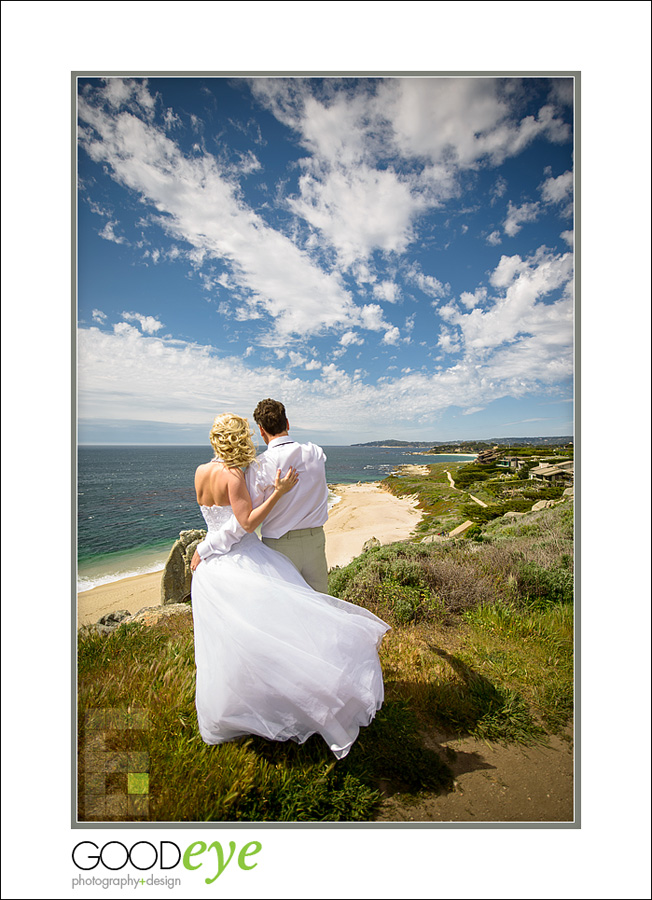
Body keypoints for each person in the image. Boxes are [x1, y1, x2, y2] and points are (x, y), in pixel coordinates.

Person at [189, 413, 389, 759]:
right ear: (242, 439)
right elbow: (246, 525)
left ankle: (238, 707)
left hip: (211, 571)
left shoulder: (200, 472)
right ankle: (293, 700)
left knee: (228, 644)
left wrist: (202, 550)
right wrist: (279, 492)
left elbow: (213, 519)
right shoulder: (235, 475)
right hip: (240, 560)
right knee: (282, 631)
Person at [194, 398, 329, 593]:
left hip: (279, 547)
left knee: (286, 609)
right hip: (315, 539)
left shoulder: (259, 467)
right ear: (287, 423)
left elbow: (243, 522)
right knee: (322, 605)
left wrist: (206, 548)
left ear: (261, 430)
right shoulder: (316, 453)